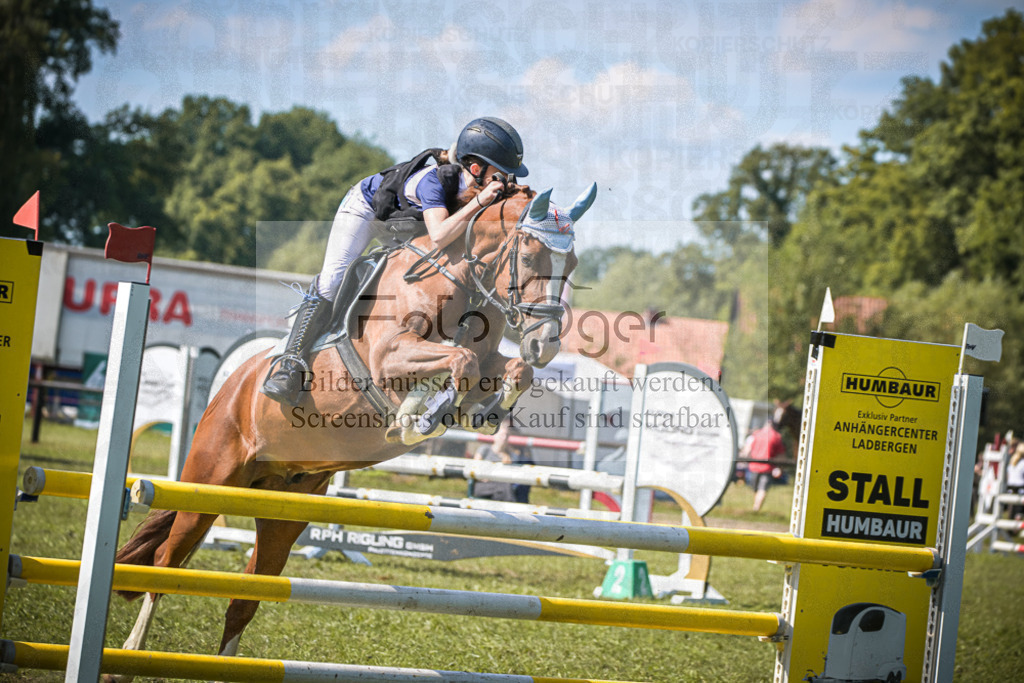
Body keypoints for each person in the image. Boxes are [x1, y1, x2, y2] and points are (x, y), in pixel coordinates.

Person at [261, 117, 529, 405]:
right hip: (368, 211)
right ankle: (291, 363)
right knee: (334, 279)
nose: (508, 181)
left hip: (409, 226)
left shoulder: (486, 187)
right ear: (476, 169)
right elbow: (439, 236)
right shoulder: (434, 181)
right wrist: (479, 202)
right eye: (502, 174)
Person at [471, 418, 532, 503]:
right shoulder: (484, 449)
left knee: (511, 487)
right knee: (505, 488)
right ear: (495, 435)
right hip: (483, 485)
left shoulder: (509, 455)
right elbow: (475, 469)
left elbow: (510, 475)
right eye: (502, 435)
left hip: (501, 486)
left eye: (506, 435)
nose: (503, 438)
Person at [745, 419, 787, 512]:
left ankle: (755, 508)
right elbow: (781, 455)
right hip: (767, 467)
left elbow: (747, 449)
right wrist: (781, 468)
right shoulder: (776, 436)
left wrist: (744, 460)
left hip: (754, 465)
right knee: (762, 489)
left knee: (756, 489)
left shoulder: (756, 434)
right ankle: (756, 509)